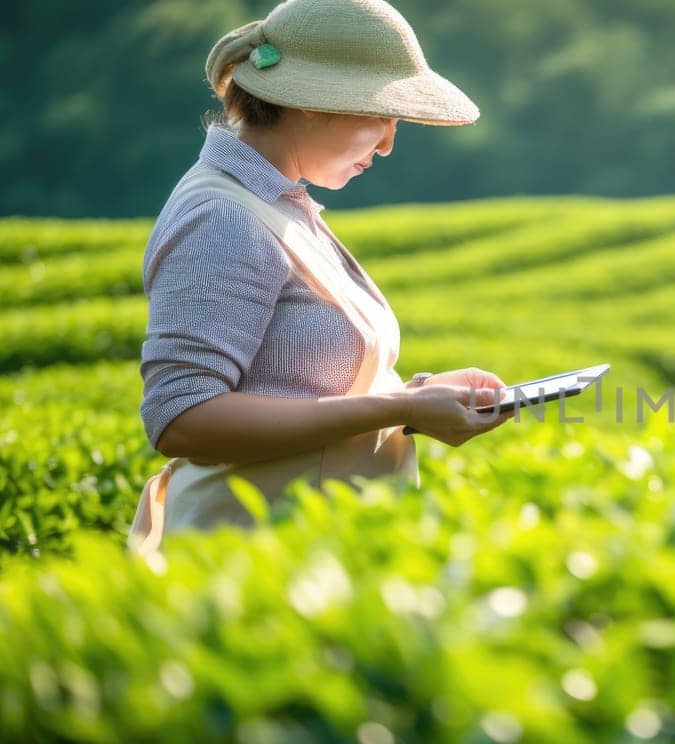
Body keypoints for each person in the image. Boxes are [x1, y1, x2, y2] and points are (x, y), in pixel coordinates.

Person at [129, 0, 513, 554]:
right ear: (311, 103)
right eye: (382, 118)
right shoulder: (222, 216)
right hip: (250, 560)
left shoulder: (280, 202)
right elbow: (183, 416)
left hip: (316, 552)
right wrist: (400, 409)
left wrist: (416, 393)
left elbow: (298, 389)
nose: (387, 145)